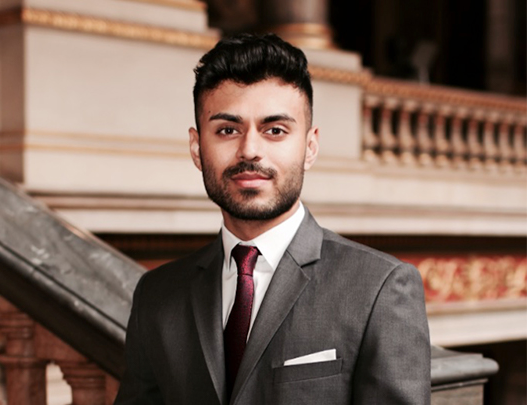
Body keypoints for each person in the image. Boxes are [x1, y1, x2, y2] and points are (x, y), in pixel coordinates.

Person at [115, 33, 430, 405]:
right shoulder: (157, 294)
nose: (250, 149)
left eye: (275, 130)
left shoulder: (380, 288)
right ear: (197, 148)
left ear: (310, 147)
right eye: (227, 130)